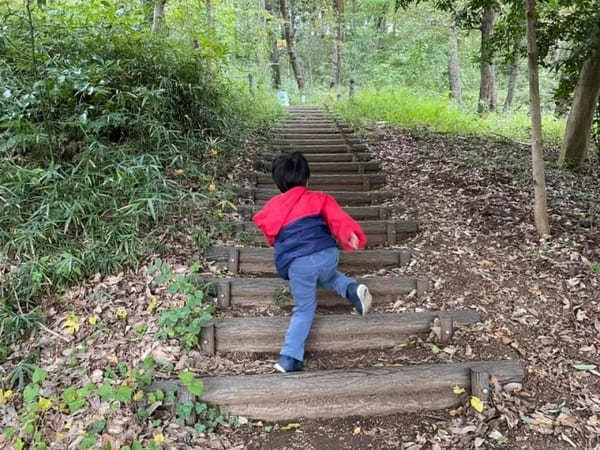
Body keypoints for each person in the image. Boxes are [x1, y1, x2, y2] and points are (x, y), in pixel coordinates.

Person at [253, 152, 372, 373]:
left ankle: (289, 357)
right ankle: (352, 289)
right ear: (307, 179)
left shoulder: (273, 207)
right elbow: (338, 220)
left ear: (279, 184)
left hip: (299, 264)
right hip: (327, 254)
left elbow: (270, 235)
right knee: (329, 276)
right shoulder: (320, 199)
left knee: (304, 308)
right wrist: (349, 234)